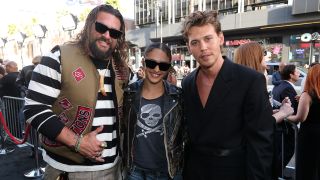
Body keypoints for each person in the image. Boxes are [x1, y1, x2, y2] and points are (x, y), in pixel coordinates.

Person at [24, 4, 129, 180]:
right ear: (89, 26)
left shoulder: (121, 68)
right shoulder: (58, 57)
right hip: (69, 171)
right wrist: (78, 143)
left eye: (114, 33)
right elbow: (34, 108)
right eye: (101, 28)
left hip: (114, 169)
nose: (107, 36)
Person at [180, 10, 281, 180]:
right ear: (189, 47)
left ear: (220, 38)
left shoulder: (250, 80)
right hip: (194, 172)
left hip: (234, 172)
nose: (203, 47)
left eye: (208, 38)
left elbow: (261, 143)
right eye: (195, 42)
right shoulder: (187, 82)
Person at [122, 43, 184, 180]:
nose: (156, 69)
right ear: (143, 62)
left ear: (168, 68)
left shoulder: (178, 97)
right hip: (135, 171)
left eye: (163, 65)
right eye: (151, 63)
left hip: (168, 172)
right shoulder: (128, 94)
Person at [234, 42, 294, 123]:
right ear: (254, 57)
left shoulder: (241, 83)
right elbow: (260, 124)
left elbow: (255, 115)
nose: (265, 56)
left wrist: (273, 112)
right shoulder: (254, 82)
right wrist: (283, 113)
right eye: (263, 53)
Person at [287, 64, 320, 180]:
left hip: (309, 136)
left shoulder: (307, 95)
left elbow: (300, 118)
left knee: (307, 166)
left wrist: (285, 115)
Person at [272, 64, 300, 178]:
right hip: (287, 128)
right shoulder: (288, 88)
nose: (298, 74)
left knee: (281, 153)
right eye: (297, 72)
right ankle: (277, 174)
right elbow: (291, 110)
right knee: (287, 151)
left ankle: (278, 173)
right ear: (291, 75)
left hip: (279, 127)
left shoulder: (278, 86)